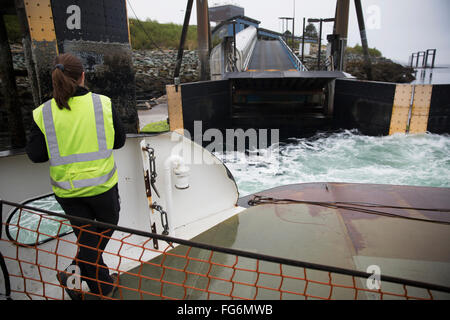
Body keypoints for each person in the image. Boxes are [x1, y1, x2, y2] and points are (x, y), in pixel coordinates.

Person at [26, 53, 126, 300]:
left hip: (68, 194)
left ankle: (79, 279)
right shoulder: (102, 103)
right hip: (102, 189)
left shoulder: (43, 113)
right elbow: (120, 141)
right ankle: (97, 286)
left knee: (88, 240)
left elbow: (36, 154)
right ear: (83, 76)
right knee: (96, 238)